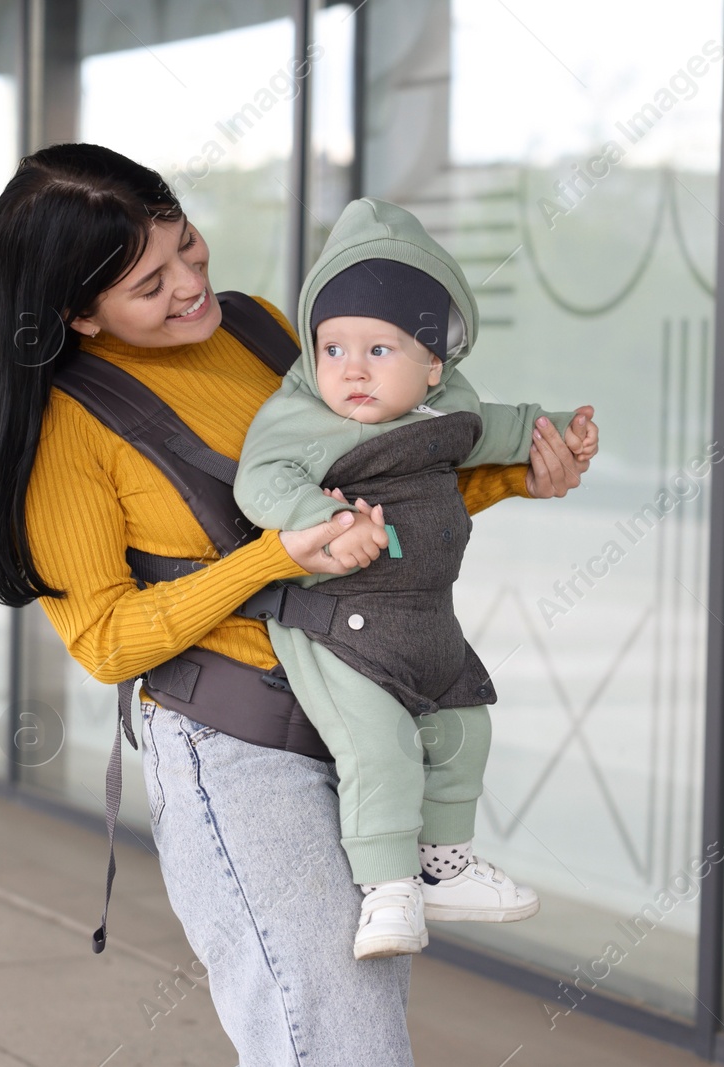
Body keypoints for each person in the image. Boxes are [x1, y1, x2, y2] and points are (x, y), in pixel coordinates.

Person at [0, 143, 598, 1067]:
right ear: (77, 317)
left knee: (350, 1021)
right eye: (149, 283)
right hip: (236, 747)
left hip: (363, 701)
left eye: (187, 245)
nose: (189, 285)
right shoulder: (67, 433)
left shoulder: (259, 329)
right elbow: (105, 641)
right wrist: (268, 556)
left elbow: (384, 487)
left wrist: (521, 476)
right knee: (339, 1037)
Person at [233, 196, 598, 960]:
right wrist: (321, 519)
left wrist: (557, 430)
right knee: (381, 748)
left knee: (465, 728)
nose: (352, 370)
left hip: (428, 621)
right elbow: (260, 483)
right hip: (339, 624)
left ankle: (445, 864)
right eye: (333, 350)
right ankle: (387, 887)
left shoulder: (445, 413)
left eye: (379, 350)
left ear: (434, 364)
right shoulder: (299, 420)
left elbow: (503, 427)